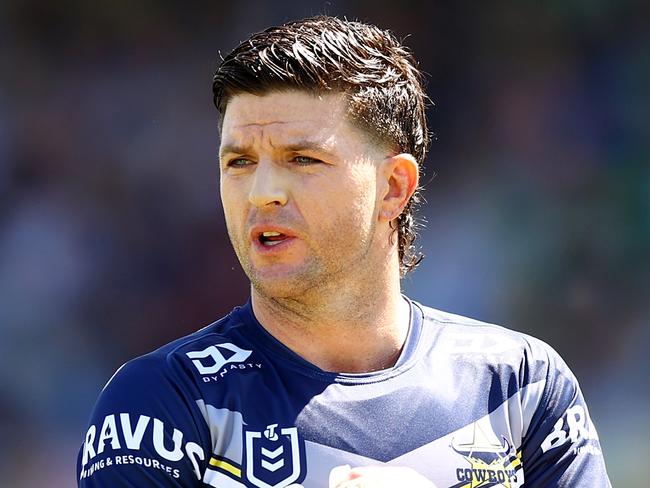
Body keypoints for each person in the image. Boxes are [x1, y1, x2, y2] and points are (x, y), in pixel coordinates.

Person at [77, 15, 611, 488]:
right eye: (239, 162)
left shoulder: (521, 383)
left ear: (393, 187)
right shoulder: (163, 401)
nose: (263, 191)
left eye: (302, 159)